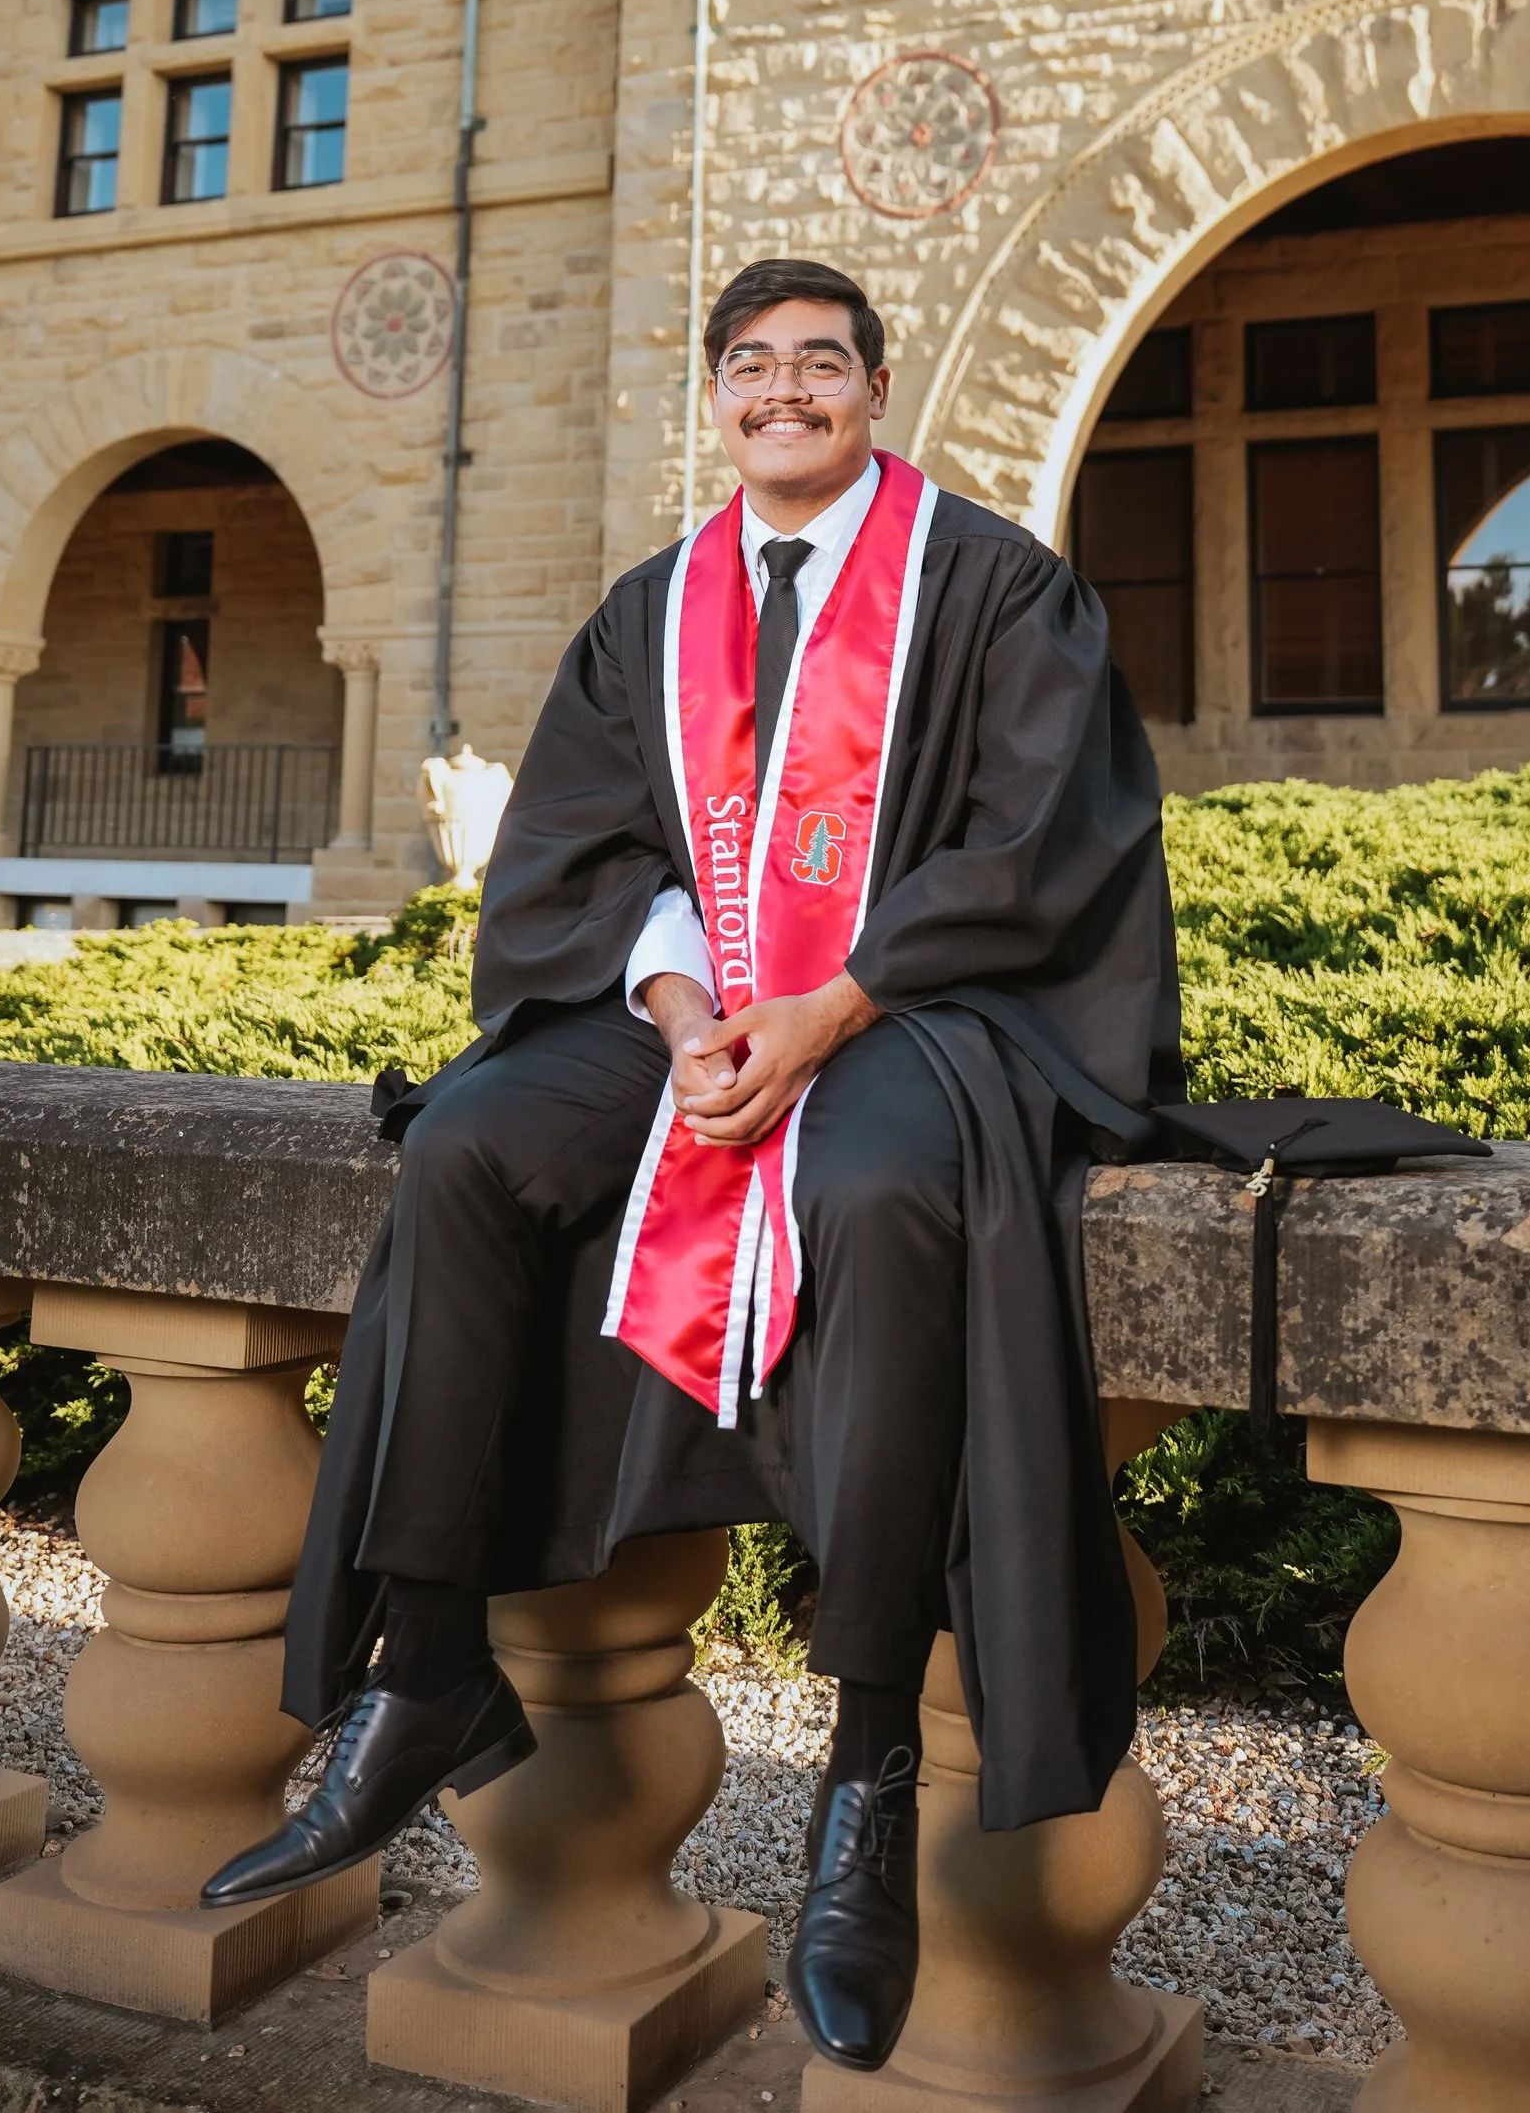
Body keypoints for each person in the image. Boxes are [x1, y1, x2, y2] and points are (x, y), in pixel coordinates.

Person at [201, 256, 1183, 2075]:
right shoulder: (654, 614)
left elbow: (1047, 844)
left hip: (921, 1007)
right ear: (716, 398)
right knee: (477, 1145)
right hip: (694, 1011)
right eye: (753, 367)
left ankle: (869, 1763)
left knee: (889, 1190)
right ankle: (425, 1669)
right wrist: (675, 1011)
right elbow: (579, 853)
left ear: (876, 392)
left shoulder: (990, 586)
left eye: (824, 363)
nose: (787, 391)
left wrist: (828, 1009)